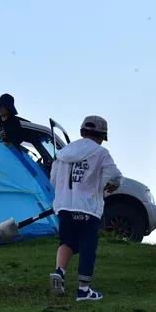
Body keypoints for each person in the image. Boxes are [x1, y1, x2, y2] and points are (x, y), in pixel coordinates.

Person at [49, 116, 122, 301]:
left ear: (82, 132)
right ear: (101, 135)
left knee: (67, 242)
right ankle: (84, 290)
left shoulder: (64, 152)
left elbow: (53, 179)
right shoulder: (100, 152)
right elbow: (114, 175)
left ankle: (59, 271)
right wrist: (109, 185)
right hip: (88, 207)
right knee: (88, 244)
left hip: (64, 205)